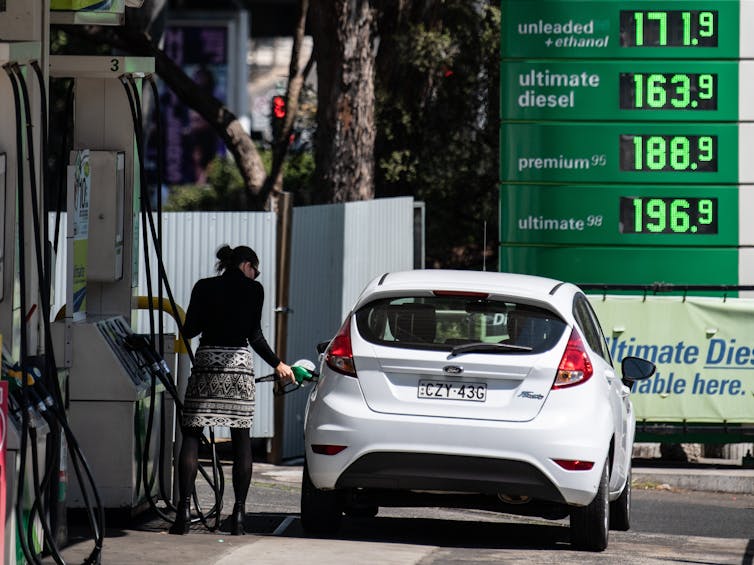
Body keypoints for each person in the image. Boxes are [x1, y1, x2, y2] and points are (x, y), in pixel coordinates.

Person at [169, 244, 295, 535]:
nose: (256, 275)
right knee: (241, 438)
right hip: (238, 367)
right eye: (256, 269)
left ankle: (183, 514)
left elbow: (189, 331)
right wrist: (278, 364)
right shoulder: (255, 291)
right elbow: (254, 335)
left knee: (191, 434)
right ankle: (238, 516)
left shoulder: (203, 286)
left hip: (207, 363)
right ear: (245, 265)